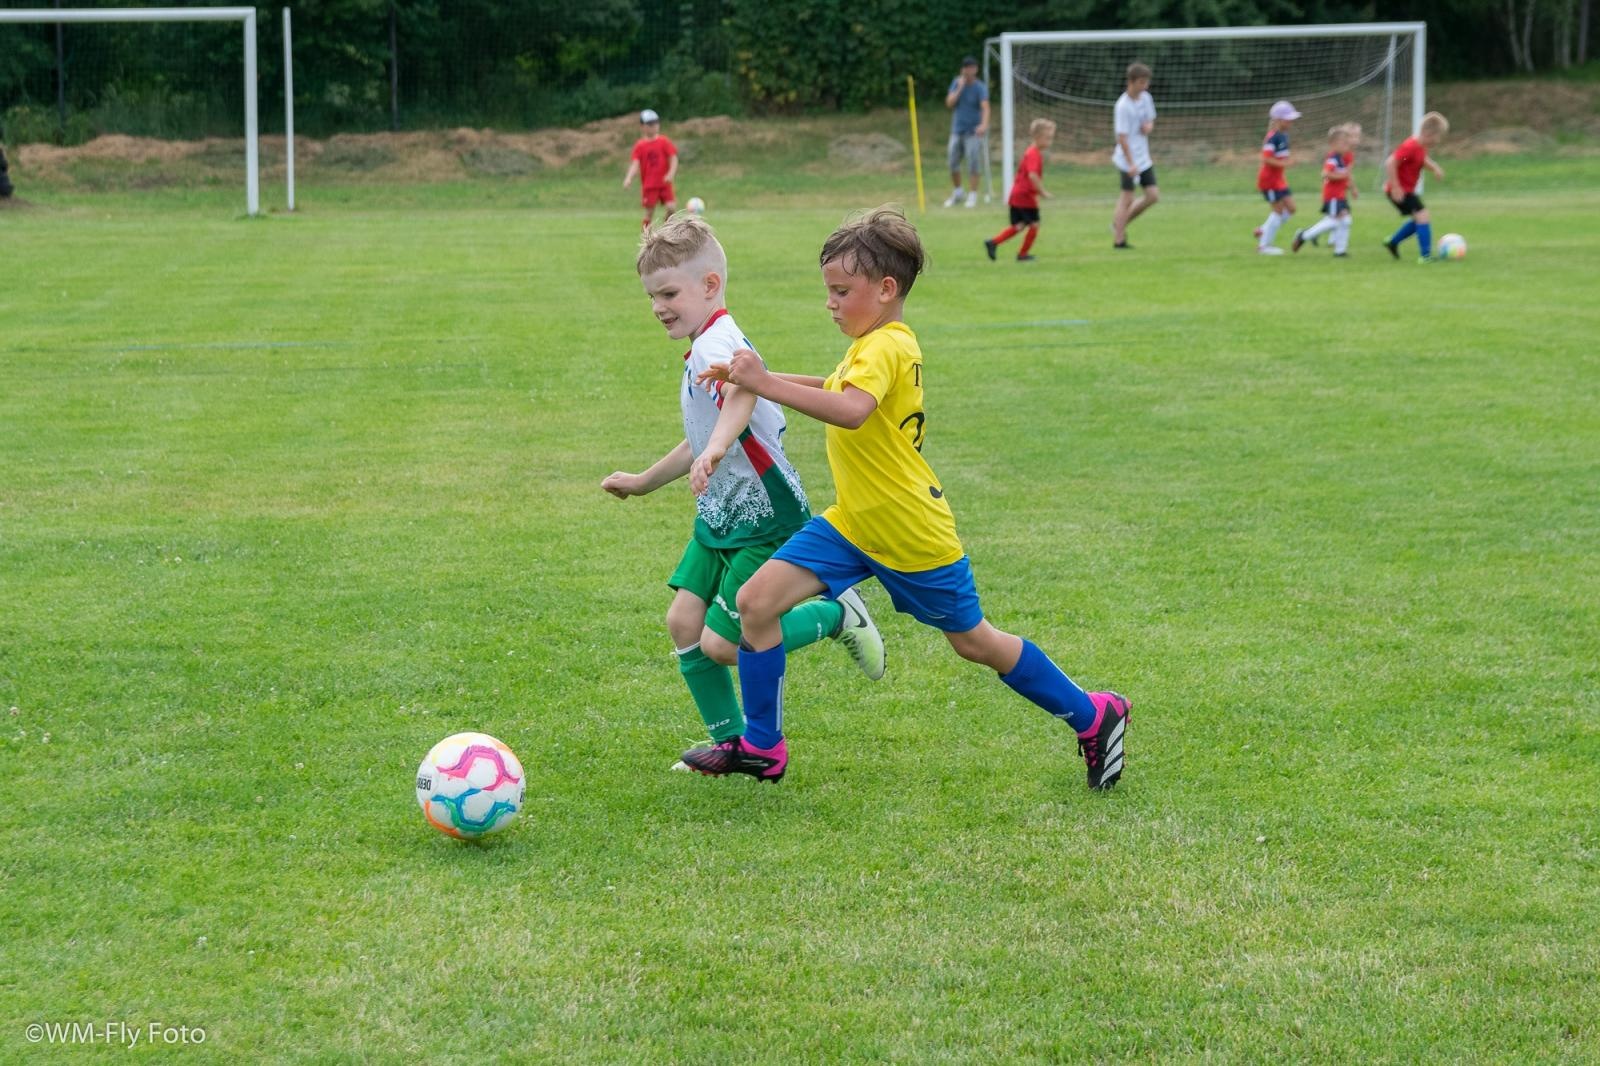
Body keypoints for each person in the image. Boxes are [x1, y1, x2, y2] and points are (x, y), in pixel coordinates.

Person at [681, 207, 1130, 790]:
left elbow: (850, 410)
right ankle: (763, 746)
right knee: (756, 602)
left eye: (842, 292)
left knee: (976, 642)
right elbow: (835, 388)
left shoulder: (886, 346)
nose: (830, 303)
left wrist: (764, 383)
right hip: (853, 524)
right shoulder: (873, 343)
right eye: (829, 291)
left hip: (907, 531)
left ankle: (1094, 714)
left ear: (887, 289)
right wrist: (757, 378)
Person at [603, 216, 886, 768]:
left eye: (668, 293)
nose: (658, 306)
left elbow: (742, 398)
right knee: (683, 623)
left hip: (763, 512)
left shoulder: (718, 342)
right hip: (721, 513)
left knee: (723, 644)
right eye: (652, 296)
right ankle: (732, 743)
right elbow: (702, 437)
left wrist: (714, 449)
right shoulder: (705, 343)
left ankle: (834, 616)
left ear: (709, 285)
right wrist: (643, 482)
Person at [1383, 111, 1450, 263]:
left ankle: (1392, 242)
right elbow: (1391, 163)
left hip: (1406, 191)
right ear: (1428, 133)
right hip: (1400, 191)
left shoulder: (1419, 147)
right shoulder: (1410, 146)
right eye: (1438, 137)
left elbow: (1421, 159)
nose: (1438, 141)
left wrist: (1435, 168)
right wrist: (1396, 187)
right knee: (1423, 216)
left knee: (1419, 220)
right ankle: (1425, 256)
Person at [984, 118, 1054, 262]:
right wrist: (1042, 192)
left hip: (1018, 194)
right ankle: (1022, 254)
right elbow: (1033, 175)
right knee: (1034, 224)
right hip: (1024, 196)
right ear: (1038, 137)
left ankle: (993, 242)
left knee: (1019, 225)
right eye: (1048, 138)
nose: (1050, 141)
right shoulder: (1034, 153)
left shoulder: (1032, 152)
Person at [1293, 123, 1360, 257]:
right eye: (1344, 143)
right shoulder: (1333, 158)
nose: (1347, 146)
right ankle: (1304, 235)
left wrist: (1351, 186)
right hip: (1333, 196)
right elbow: (1325, 174)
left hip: (1340, 195)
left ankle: (1340, 251)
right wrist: (1342, 176)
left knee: (1345, 220)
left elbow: (1344, 175)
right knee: (1335, 220)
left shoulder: (1342, 158)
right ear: (1333, 144)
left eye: (1347, 143)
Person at [1111, 62, 1158, 249]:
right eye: (1141, 82)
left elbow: (1150, 120)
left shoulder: (1146, 98)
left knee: (1153, 196)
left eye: (1146, 82)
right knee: (1127, 198)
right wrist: (1131, 164)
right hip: (1126, 159)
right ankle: (1119, 240)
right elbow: (1122, 138)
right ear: (1130, 82)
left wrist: (1149, 127)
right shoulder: (1122, 106)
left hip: (1143, 158)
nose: (1145, 86)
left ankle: (1118, 224)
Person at [1254, 100, 1301, 255]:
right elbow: (1266, 158)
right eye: (1288, 119)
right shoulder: (1272, 137)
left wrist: (1286, 163)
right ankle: (1264, 246)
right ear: (1279, 120)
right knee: (1278, 211)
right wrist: (1285, 164)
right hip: (1269, 180)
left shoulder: (1284, 136)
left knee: (1291, 209)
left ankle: (1264, 230)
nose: (1291, 122)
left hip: (1279, 180)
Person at [942, 56, 989, 209]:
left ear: (976, 70)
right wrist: (959, 88)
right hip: (957, 131)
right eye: (967, 68)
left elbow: (985, 107)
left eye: (972, 68)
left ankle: (973, 195)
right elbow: (949, 103)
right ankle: (958, 192)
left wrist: (983, 125)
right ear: (963, 70)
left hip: (973, 132)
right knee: (952, 162)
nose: (969, 71)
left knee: (973, 163)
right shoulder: (956, 83)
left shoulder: (980, 87)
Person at [622, 108, 678, 231]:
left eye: (656, 123)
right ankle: (645, 237)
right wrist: (629, 178)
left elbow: (673, 158)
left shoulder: (664, 142)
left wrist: (671, 174)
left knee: (671, 208)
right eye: (650, 124)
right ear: (642, 127)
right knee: (649, 213)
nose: (654, 126)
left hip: (664, 183)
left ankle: (666, 231)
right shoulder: (640, 145)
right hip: (650, 185)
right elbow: (635, 164)